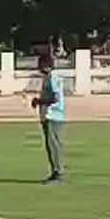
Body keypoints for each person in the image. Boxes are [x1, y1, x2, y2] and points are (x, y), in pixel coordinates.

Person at [31, 54, 66, 184]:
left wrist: (39, 101)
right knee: (50, 146)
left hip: (54, 116)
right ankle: (55, 172)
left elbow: (55, 98)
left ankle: (59, 174)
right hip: (49, 116)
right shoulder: (48, 78)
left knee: (54, 146)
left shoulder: (52, 78)